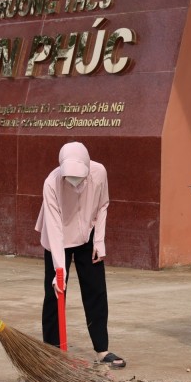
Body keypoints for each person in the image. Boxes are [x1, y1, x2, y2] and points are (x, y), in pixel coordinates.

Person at [35, 141, 124, 368]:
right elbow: (54, 228)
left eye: (79, 177)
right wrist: (59, 270)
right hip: (58, 238)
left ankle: (102, 350)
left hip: (87, 235)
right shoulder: (51, 182)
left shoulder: (99, 172)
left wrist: (99, 240)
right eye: (70, 177)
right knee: (54, 293)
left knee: (96, 290)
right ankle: (52, 352)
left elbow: (103, 205)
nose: (74, 182)